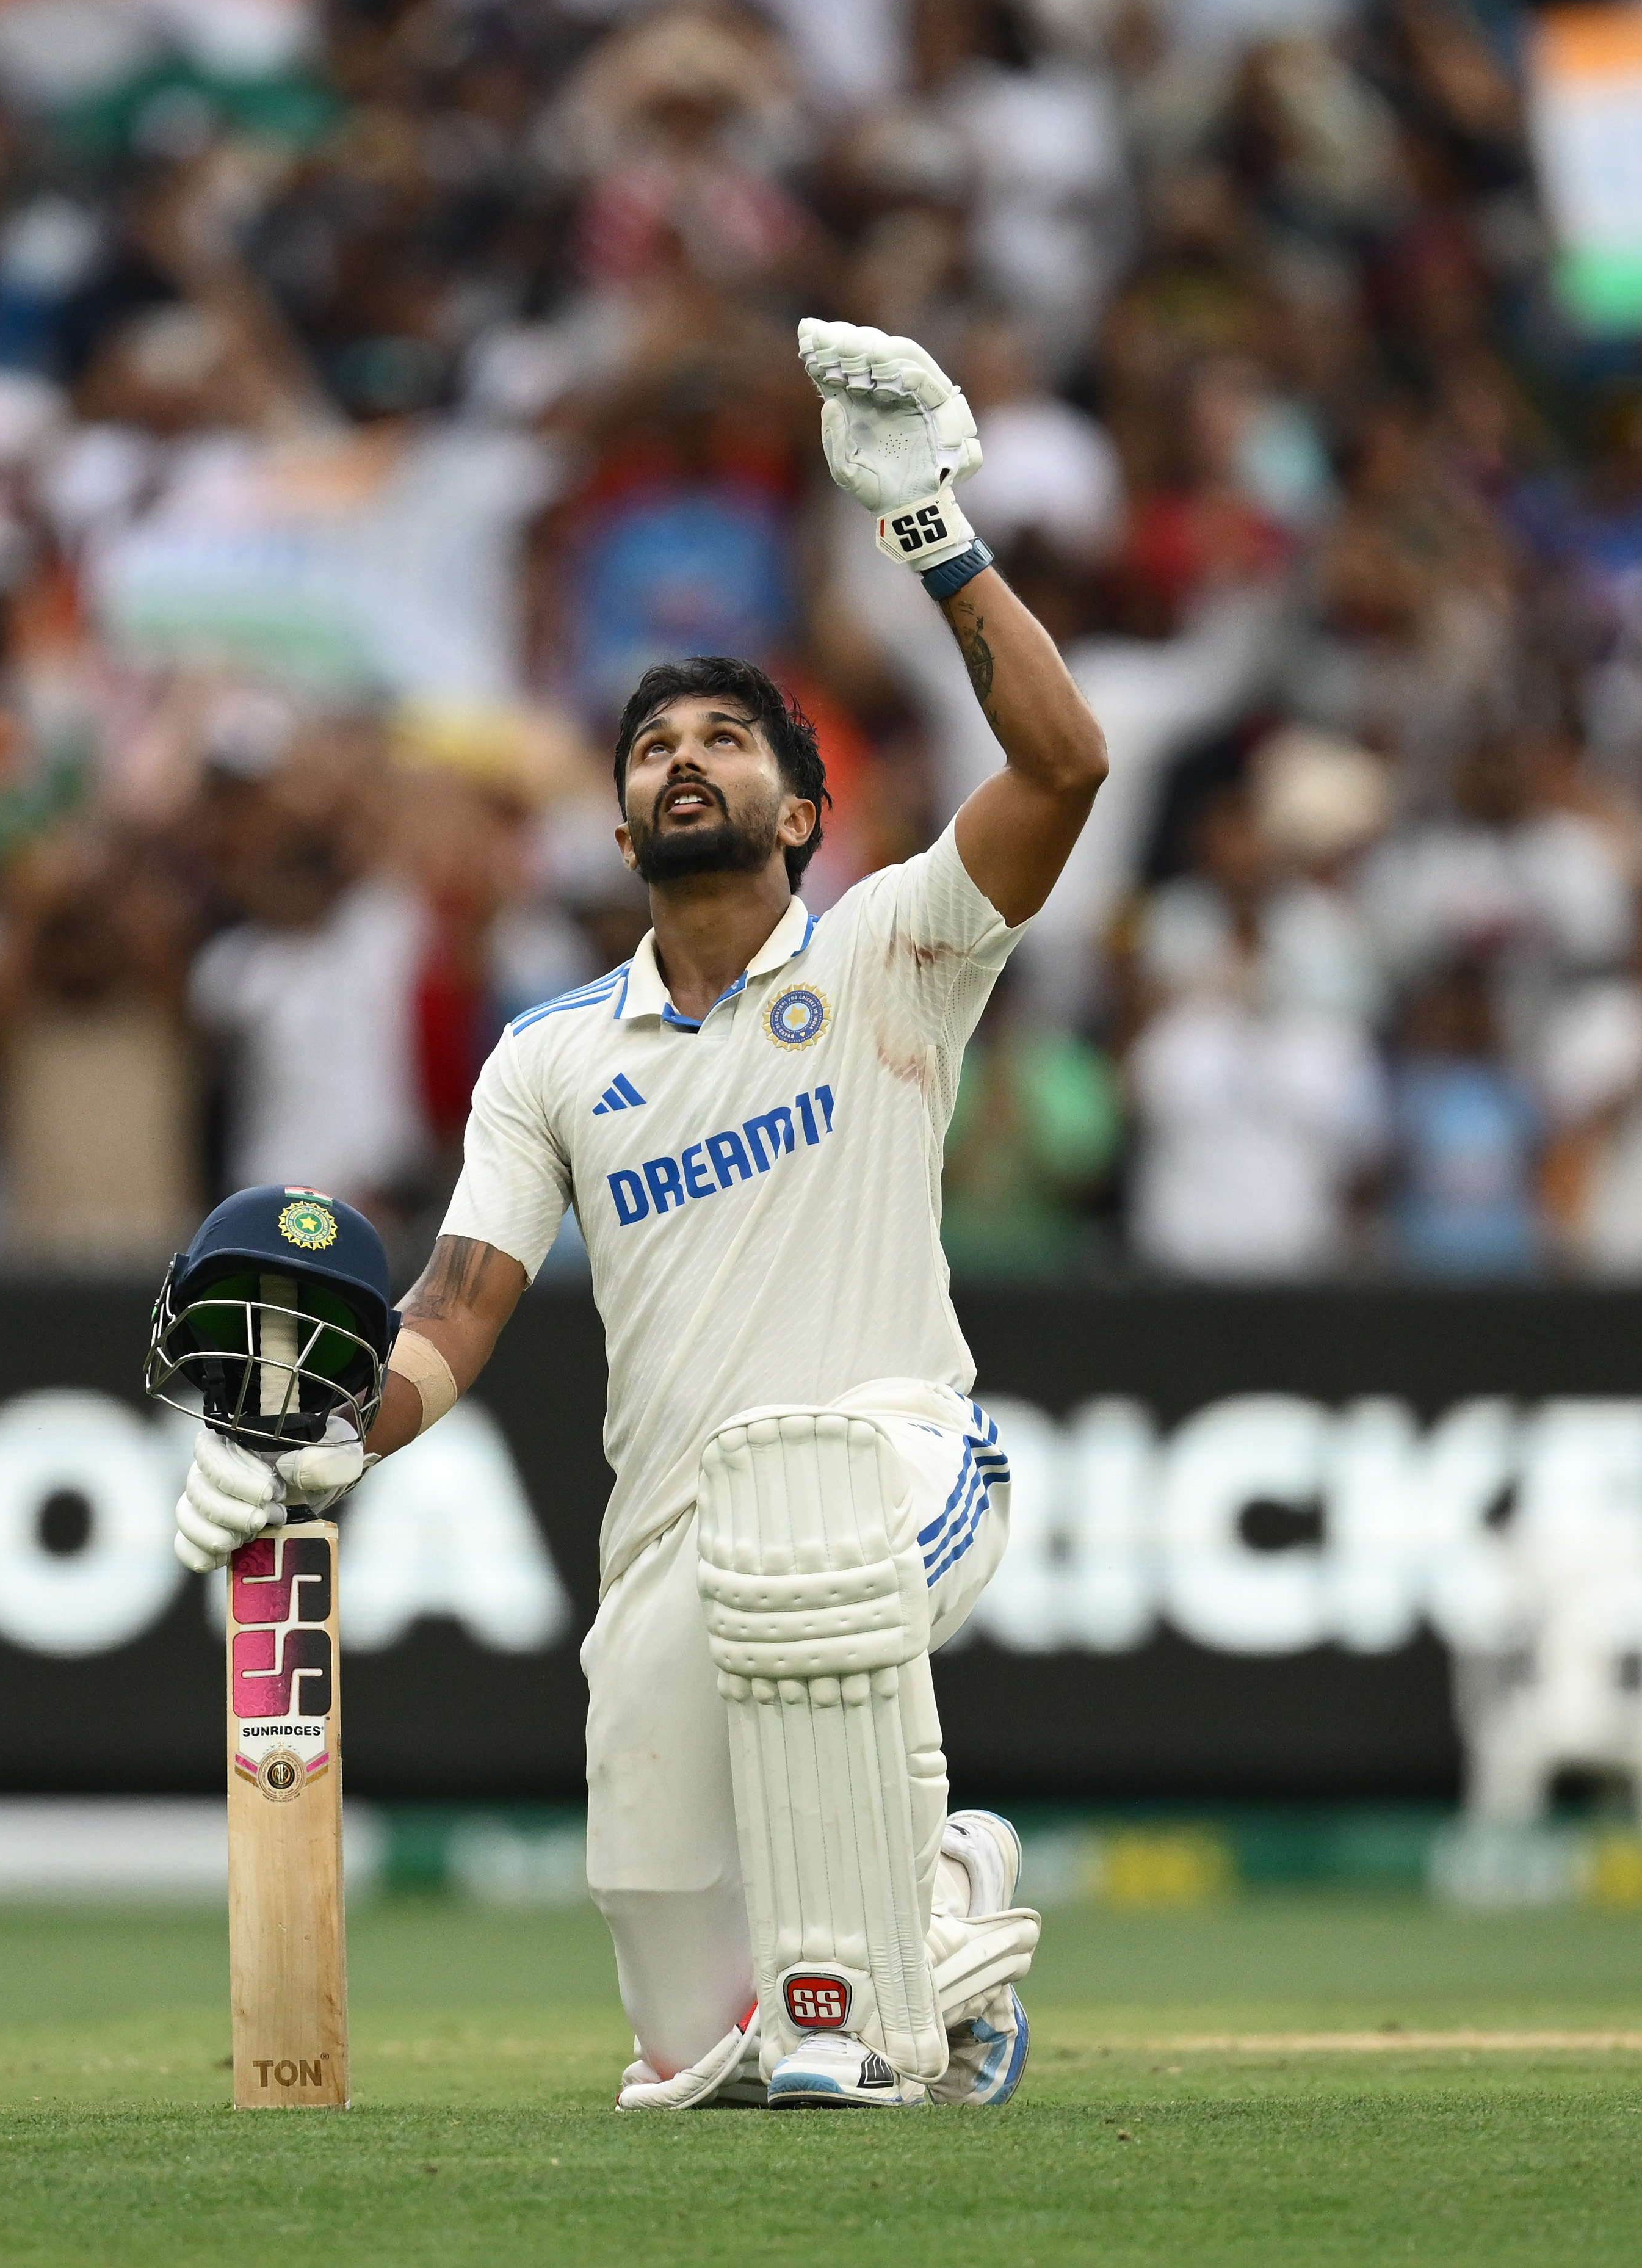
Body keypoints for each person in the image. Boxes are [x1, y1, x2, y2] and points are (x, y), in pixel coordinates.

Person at [172, 321, 1105, 2112]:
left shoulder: (894, 951)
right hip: (670, 1548)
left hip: (907, 1458)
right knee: (698, 2044)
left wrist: (934, 532)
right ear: (614, 823)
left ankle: (883, 1945)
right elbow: (454, 1305)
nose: (687, 759)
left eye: (729, 740)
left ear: (806, 809)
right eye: (655, 743)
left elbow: (1063, 770)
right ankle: (937, 1902)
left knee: (801, 1559)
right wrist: (318, 1447)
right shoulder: (548, 1058)